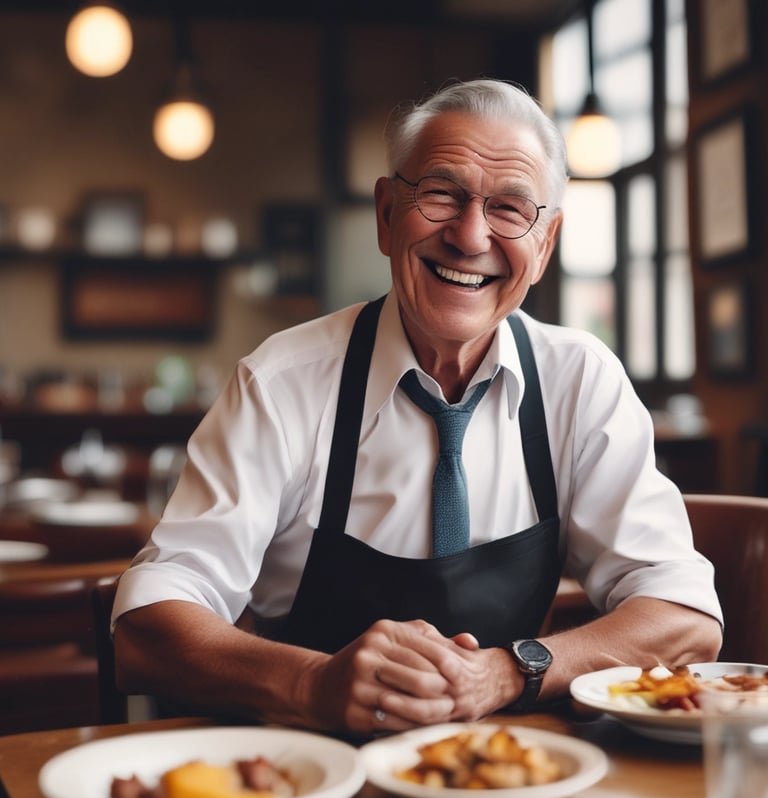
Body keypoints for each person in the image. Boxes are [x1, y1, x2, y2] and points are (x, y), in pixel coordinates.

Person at [113, 78, 722, 735]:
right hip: (309, 776)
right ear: (385, 214)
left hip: (514, 778)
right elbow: (147, 627)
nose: (469, 235)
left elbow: (685, 615)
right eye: (441, 194)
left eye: (511, 209)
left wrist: (512, 669)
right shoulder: (282, 384)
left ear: (544, 245)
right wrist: (310, 683)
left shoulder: (580, 382)